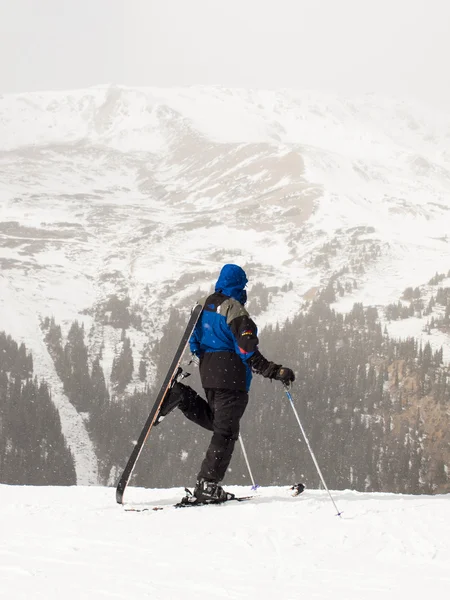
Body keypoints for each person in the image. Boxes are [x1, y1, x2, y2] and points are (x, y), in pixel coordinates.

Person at [161, 264, 295, 503]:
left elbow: (193, 342)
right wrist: (275, 371)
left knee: (217, 421)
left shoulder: (202, 305)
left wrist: (206, 358)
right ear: (239, 285)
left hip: (209, 374)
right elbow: (247, 350)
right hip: (232, 376)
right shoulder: (234, 309)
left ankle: (182, 396)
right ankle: (207, 484)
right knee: (225, 431)